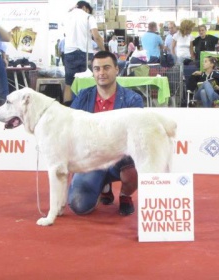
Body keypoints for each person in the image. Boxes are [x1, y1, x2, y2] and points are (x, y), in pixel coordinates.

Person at [68, 50, 144, 216]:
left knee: (136, 167)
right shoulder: (83, 96)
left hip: (121, 158)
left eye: (106, 68)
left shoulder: (133, 99)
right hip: (90, 159)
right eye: (97, 69)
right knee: (78, 205)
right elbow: (70, 127)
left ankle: (125, 196)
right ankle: (104, 186)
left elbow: (135, 135)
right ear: (93, 72)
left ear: (117, 69)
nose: (101, 73)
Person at [63, 1, 105, 105]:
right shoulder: (88, 17)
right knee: (88, 82)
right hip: (85, 54)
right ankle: (86, 108)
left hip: (69, 53)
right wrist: (104, 51)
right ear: (85, 8)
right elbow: (96, 36)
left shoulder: (67, 16)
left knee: (69, 83)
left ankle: (67, 110)